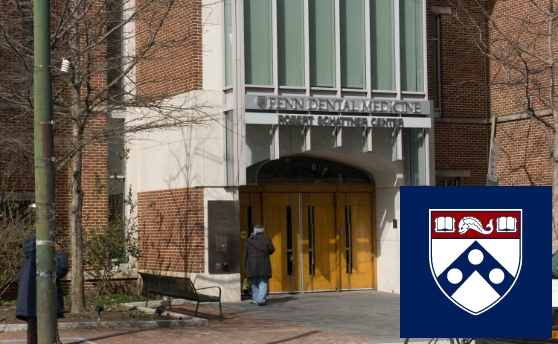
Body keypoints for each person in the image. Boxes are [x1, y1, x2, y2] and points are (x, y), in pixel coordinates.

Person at [15, 237, 68, 344]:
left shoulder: (28, 258)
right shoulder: (43, 255)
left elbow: (20, 279)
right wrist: (59, 254)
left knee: (33, 333)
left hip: (29, 302)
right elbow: (59, 270)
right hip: (42, 302)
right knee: (44, 333)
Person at [243, 224, 275, 306]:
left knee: (254, 282)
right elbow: (271, 250)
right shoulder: (267, 239)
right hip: (263, 263)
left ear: (255, 231)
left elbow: (245, 254)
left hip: (252, 263)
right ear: (262, 231)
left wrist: (245, 265)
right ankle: (261, 300)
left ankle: (255, 299)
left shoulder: (249, 240)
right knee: (263, 282)